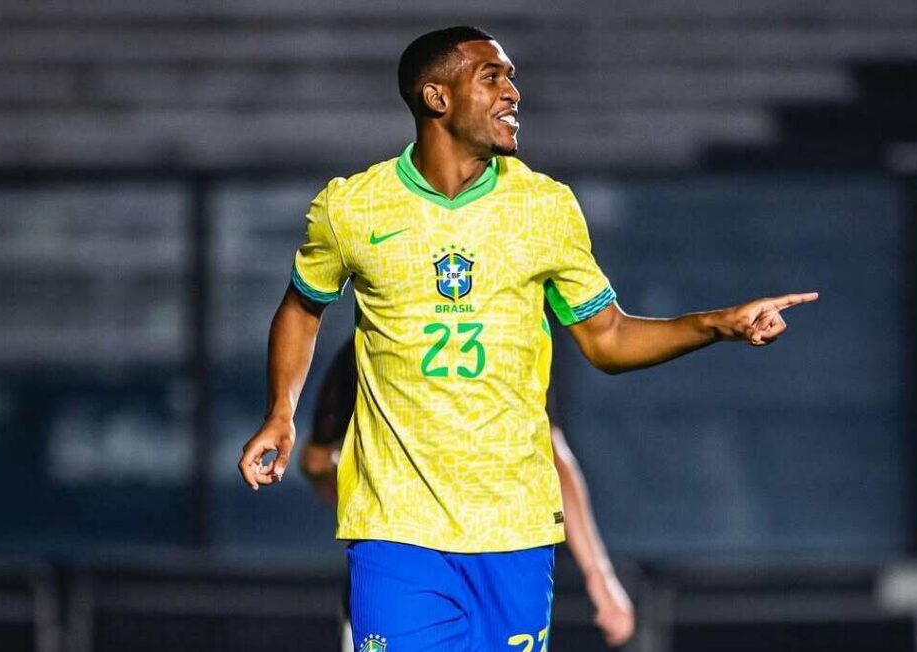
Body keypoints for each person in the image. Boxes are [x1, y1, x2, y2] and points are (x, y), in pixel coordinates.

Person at [239, 25, 817, 652]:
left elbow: (608, 338)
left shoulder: (545, 208)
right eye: (492, 77)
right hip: (395, 529)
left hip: (515, 529)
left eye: (511, 78)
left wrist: (716, 325)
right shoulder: (351, 207)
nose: (513, 92)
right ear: (436, 97)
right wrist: (280, 412)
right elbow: (302, 307)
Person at [301, 340, 635, 649]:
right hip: (425, 577)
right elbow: (316, 460)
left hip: (456, 576)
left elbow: (551, 453)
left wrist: (599, 575)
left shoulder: (511, 337)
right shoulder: (375, 341)